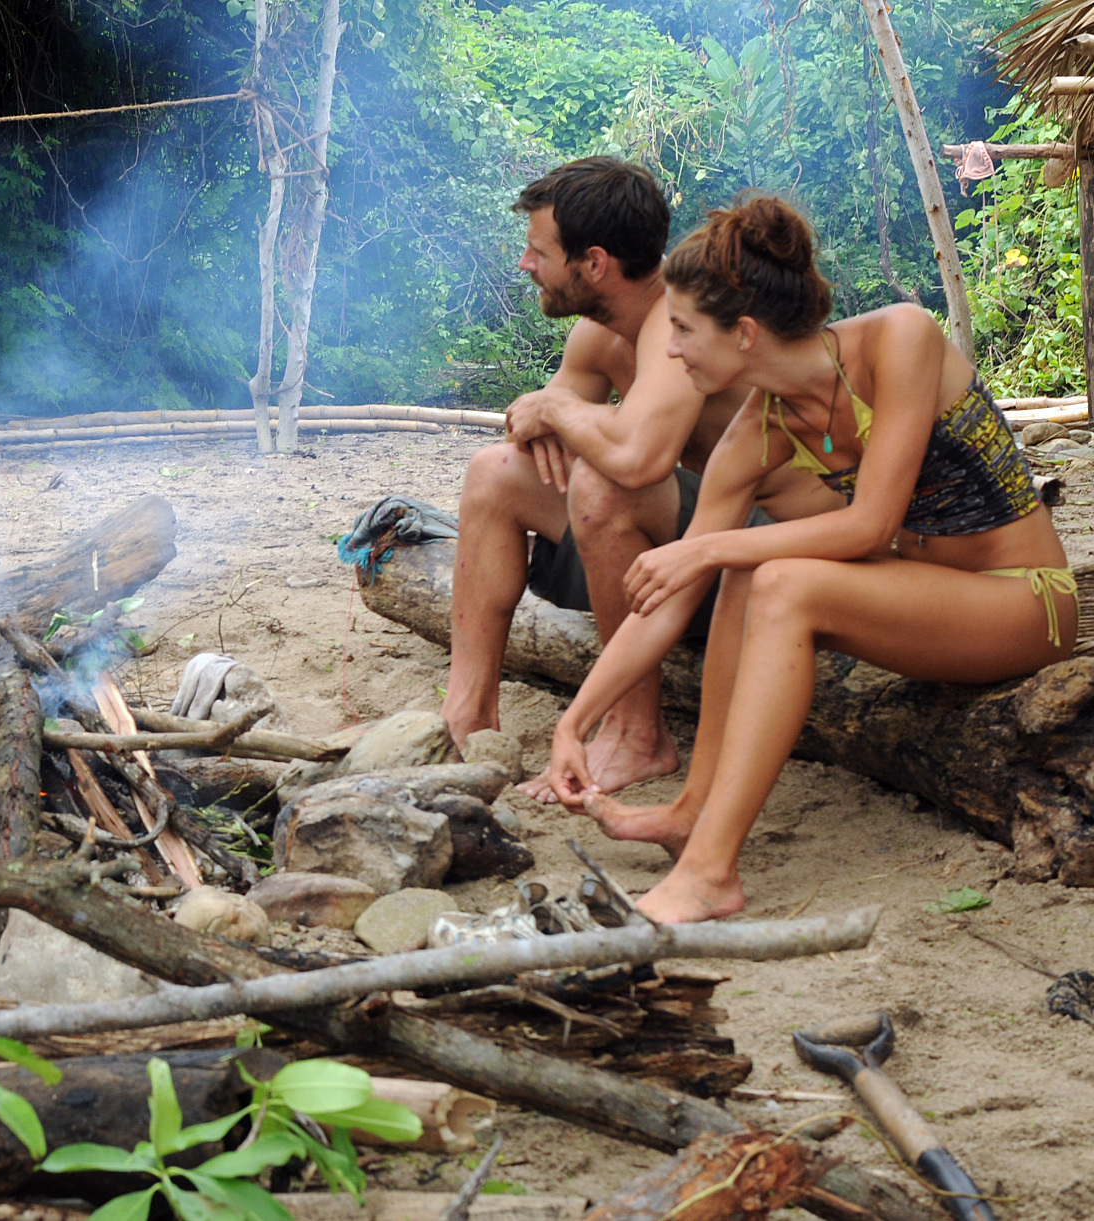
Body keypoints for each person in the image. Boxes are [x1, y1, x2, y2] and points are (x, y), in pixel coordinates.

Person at [538, 195, 1073, 923]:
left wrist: (706, 546)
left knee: (777, 578)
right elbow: (663, 599)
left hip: (1024, 600)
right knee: (750, 573)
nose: (668, 350)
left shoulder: (898, 340)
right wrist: (577, 718)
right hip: (926, 600)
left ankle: (708, 874)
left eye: (684, 330)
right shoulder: (756, 429)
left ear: (745, 333)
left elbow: (869, 522)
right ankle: (695, 806)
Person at [441, 159, 838, 800]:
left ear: (593, 262)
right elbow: (534, 434)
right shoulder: (597, 339)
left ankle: (635, 733)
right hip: (679, 556)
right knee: (495, 475)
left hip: (765, 553)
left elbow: (637, 460)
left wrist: (558, 411)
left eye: (538, 250)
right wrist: (543, 415)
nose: (525, 264)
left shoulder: (678, 330)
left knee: (606, 485)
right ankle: (466, 717)